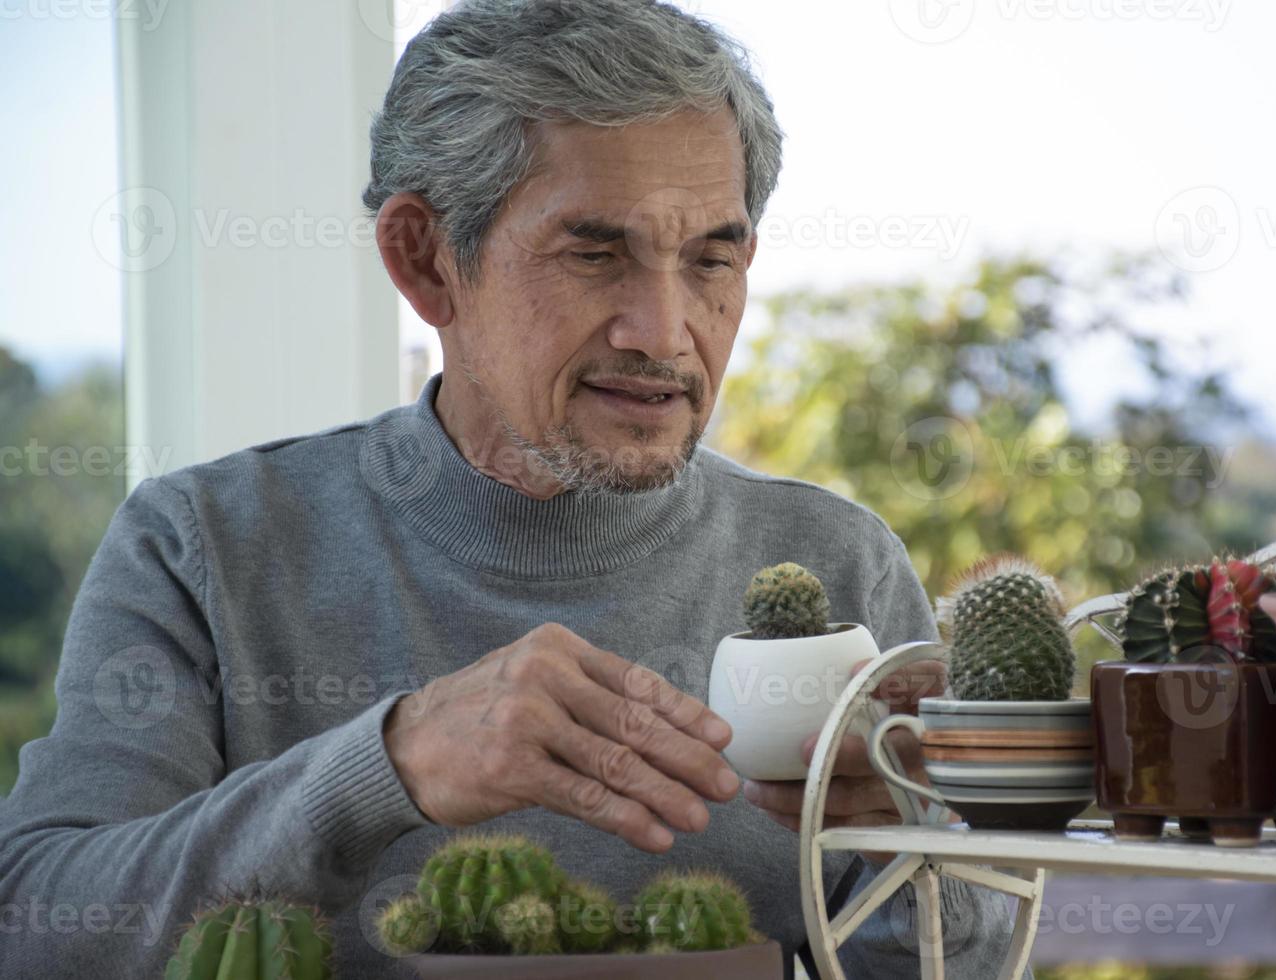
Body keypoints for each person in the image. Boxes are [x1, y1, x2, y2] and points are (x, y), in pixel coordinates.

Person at [0, 2, 1020, 975]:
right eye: (594, 252)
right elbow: (36, 929)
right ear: (427, 261)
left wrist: (903, 829)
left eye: (713, 258)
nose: (666, 332)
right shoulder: (204, 546)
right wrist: (381, 769)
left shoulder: (836, 560)